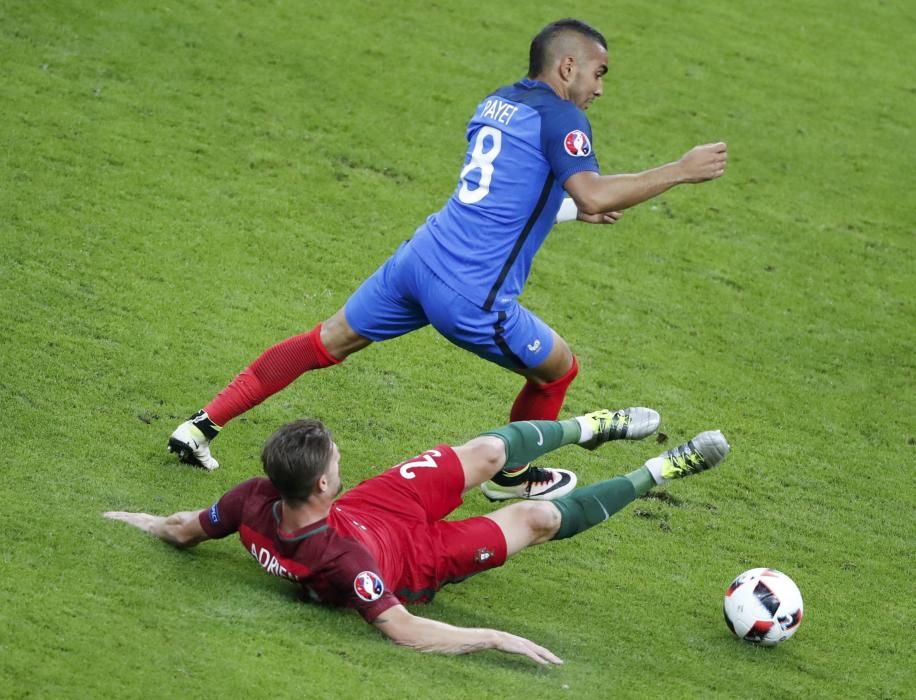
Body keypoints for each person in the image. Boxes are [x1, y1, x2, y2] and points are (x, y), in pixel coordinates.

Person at [167, 17, 728, 501]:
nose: (600, 89)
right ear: (567, 67)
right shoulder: (562, 118)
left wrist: (562, 213)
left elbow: (499, 194)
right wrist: (680, 169)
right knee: (558, 368)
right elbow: (595, 193)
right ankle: (511, 474)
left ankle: (201, 425)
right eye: (598, 73)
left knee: (324, 342)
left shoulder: (498, 102)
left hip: (418, 260)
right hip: (470, 293)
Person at [116, 409, 730, 664]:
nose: (339, 453)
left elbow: (183, 529)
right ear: (323, 482)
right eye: (335, 455)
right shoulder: (348, 562)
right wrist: (493, 636)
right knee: (538, 518)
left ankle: (590, 427)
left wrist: (130, 520)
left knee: (489, 451)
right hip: (410, 560)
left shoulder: (251, 498)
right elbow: (402, 628)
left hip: (374, 507)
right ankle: (660, 470)